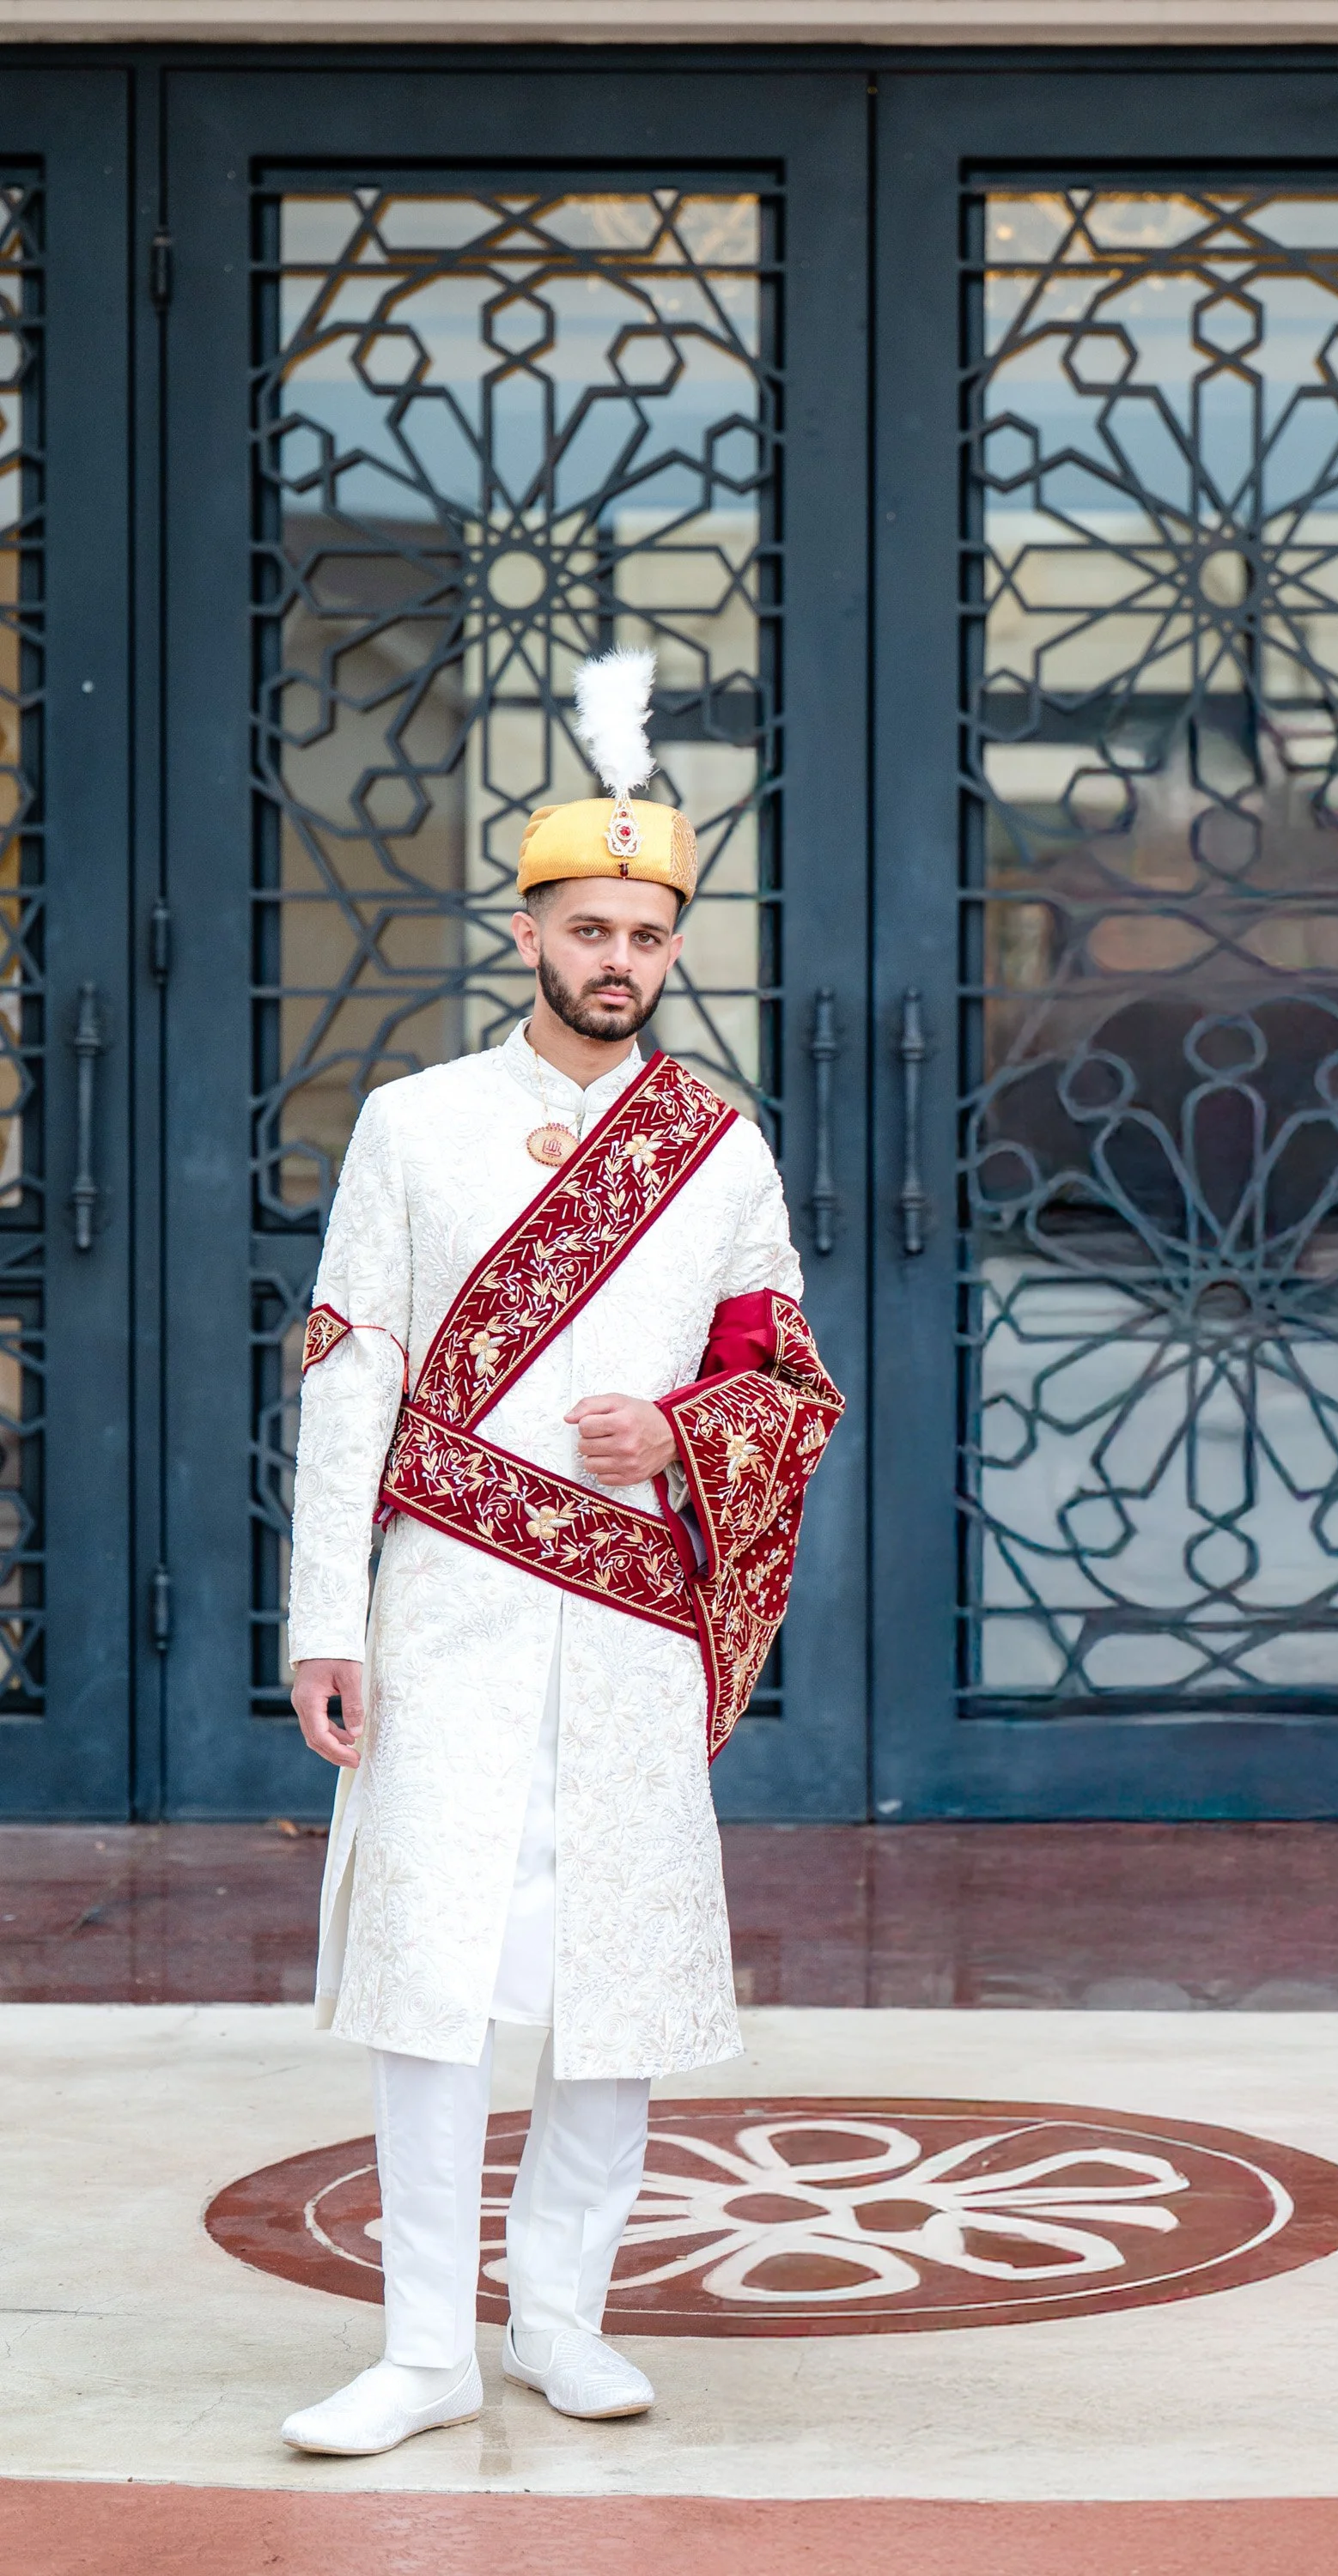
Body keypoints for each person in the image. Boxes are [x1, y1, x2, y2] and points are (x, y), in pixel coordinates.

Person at [279, 648, 841, 2457]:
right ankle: (423, 2346)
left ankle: (563, 2318)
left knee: (614, 1988)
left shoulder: (719, 1149)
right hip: (441, 1608)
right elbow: (346, 1386)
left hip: (626, 1622)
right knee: (431, 1983)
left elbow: (789, 1384)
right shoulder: (411, 1124)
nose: (617, 960)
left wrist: (679, 1432)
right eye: (586, 927)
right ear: (526, 931)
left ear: (671, 950)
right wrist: (320, 1622)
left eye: (645, 935)